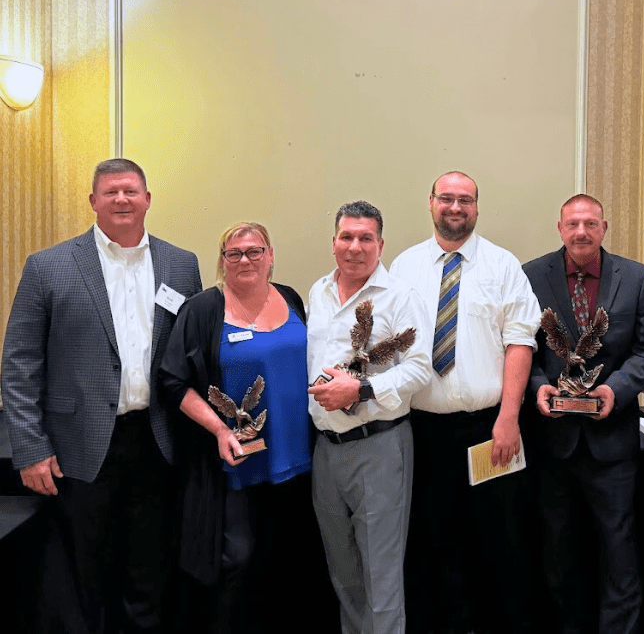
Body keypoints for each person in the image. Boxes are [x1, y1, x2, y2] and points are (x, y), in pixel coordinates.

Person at [1, 158, 202, 634]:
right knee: (86, 571)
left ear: (148, 199)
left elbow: (191, 354)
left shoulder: (181, 263)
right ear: (93, 202)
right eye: (110, 192)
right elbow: (19, 364)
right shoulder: (49, 266)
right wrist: (31, 448)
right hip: (81, 447)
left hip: (157, 443)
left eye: (131, 191)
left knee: (149, 569)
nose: (121, 200)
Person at [390, 171, 541, 634]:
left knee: (499, 542)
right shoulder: (404, 267)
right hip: (423, 431)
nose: (456, 208)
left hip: (488, 430)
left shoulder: (502, 265)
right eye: (447, 199)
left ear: (477, 207)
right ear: (430, 202)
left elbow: (520, 342)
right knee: (433, 540)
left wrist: (509, 419)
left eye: (465, 200)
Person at [158, 221, 316, 633]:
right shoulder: (203, 310)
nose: (245, 259)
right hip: (236, 459)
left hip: (297, 458)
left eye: (255, 251)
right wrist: (220, 430)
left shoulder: (293, 299)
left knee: (286, 558)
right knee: (236, 559)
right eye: (235, 253)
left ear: (271, 255)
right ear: (223, 260)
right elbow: (174, 383)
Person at [523, 194, 644, 634]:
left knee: (619, 551)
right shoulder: (529, 275)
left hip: (612, 441)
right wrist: (538, 385)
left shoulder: (636, 277)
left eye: (590, 223)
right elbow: (521, 347)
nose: (581, 231)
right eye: (572, 224)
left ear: (604, 227)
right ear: (559, 228)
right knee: (558, 552)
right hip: (553, 441)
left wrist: (613, 390)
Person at [307, 200, 433, 634]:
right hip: (326, 449)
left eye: (365, 238)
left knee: (381, 577)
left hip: (379, 447)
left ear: (381, 244)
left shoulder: (399, 297)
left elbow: (420, 368)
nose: (355, 247)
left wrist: (359, 390)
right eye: (347, 237)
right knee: (343, 572)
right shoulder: (318, 292)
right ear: (334, 241)